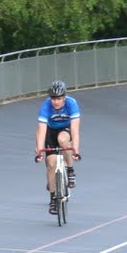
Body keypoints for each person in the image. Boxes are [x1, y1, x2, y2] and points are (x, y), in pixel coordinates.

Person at [35, 79, 81, 214]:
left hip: (66, 129)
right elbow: (41, 131)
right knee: (50, 163)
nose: (56, 102)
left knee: (62, 140)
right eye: (53, 99)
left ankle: (70, 170)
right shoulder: (45, 107)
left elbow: (75, 130)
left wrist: (76, 150)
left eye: (59, 99)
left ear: (64, 97)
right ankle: (53, 199)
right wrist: (39, 151)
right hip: (50, 130)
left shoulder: (71, 104)